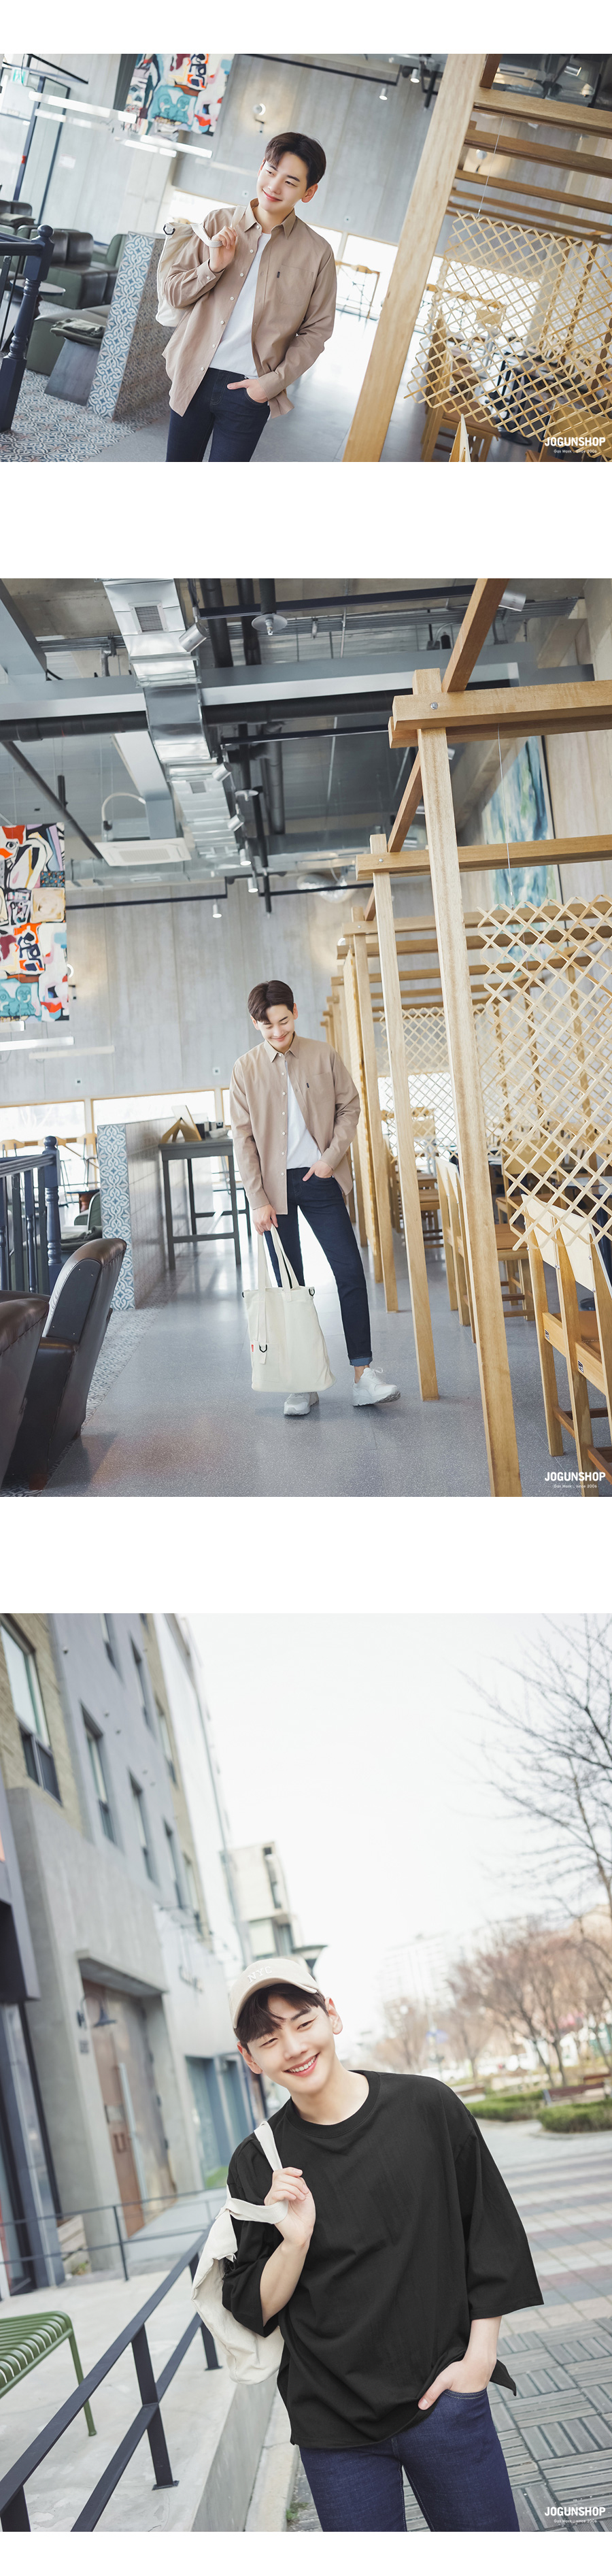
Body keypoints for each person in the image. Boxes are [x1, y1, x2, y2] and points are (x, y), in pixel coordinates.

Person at [223, 1960, 543, 2534]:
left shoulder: (427, 2107)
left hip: (445, 2399)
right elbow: (255, 2306)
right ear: (250, 2058)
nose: (293, 2048)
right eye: (269, 2041)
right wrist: (293, 2241)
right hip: (333, 2428)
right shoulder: (257, 2163)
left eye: (303, 2023)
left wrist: (479, 2361)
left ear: (332, 2016)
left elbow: (490, 2233)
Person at [229, 978, 400, 1415]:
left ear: (295, 1011)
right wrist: (257, 1199)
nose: (277, 1032)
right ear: (255, 1024)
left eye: (283, 1021)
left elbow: (350, 1106)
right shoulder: (244, 1069)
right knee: (291, 1287)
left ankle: (363, 1376)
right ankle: (302, 1381)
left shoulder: (323, 1055)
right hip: (272, 1192)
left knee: (350, 1272)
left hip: (320, 1178)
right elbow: (242, 1139)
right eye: (267, 1026)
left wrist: (329, 1159)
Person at [163, 132, 336, 462]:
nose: (274, 186)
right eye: (271, 171)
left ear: (309, 192)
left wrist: (269, 385)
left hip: (251, 389)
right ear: (260, 169)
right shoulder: (217, 222)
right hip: (193, 375)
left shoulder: (318, 253)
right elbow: (174, 293)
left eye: (290, 181)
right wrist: (213, 268)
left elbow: (317, 331)